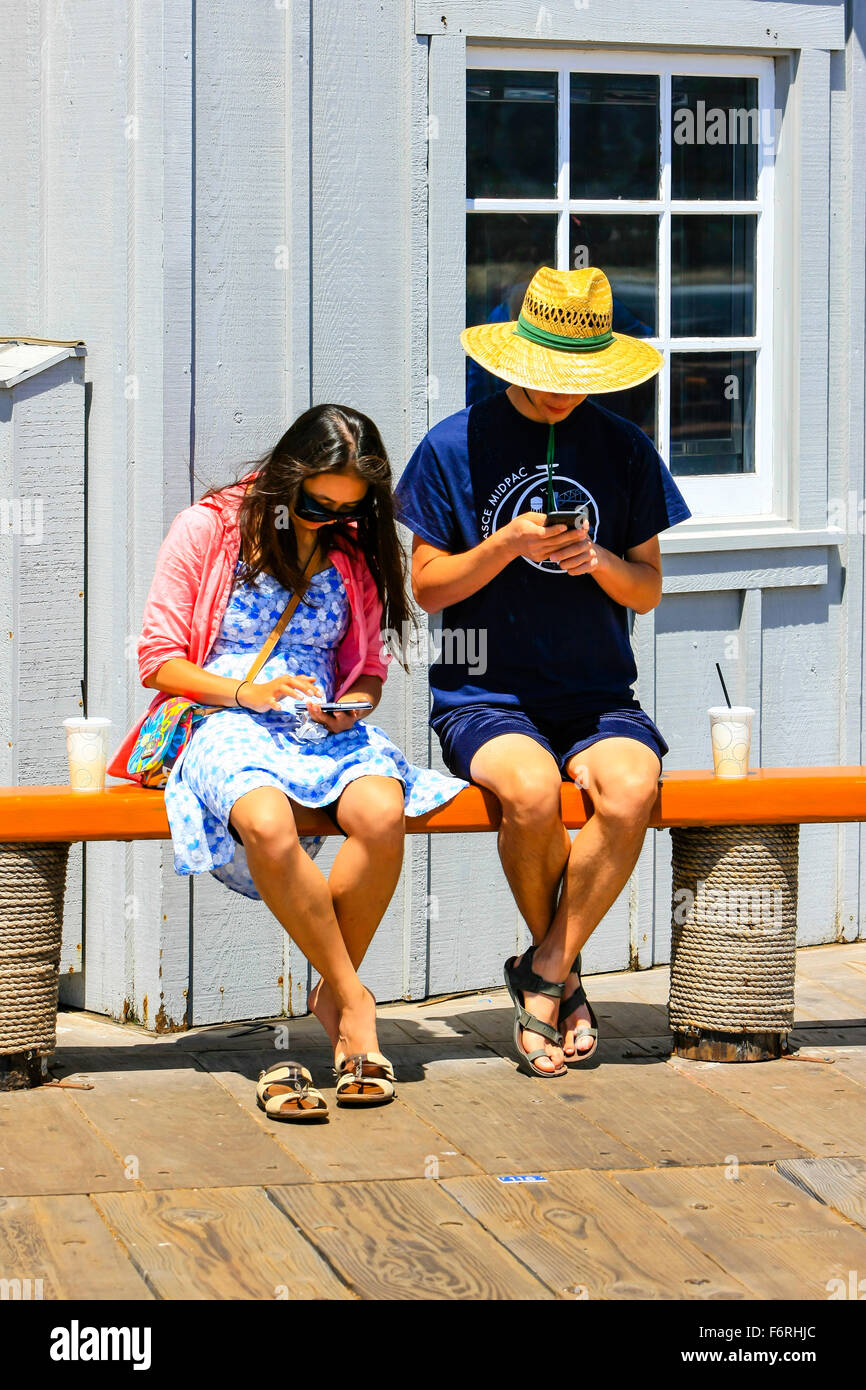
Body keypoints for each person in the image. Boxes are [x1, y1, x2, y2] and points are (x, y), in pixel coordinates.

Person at [108, 404, 467, 1116]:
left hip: (316, 721)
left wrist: (353, 707)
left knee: (382, 807)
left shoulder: (348, 549)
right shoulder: (207, 528)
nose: (323, 517)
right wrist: (248, 689)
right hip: (223, 711)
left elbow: (367, 670)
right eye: (313, 501)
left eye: (346, 508)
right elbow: (159, 662)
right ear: (285, 473)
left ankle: (329, 994)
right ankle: (354, 1004)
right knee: (266, 823)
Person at [394, 266, 691, 1077]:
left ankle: (548, 970)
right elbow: (424, 588)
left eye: (579, 378)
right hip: (481, 689)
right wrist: (504, 545)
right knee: (527, 794)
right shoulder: (453, 445)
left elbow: (649, 589)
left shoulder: (624, 448)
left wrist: (595, 558)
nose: (564, 395)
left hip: (597, 692)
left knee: (631, 789)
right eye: (549, 376)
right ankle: (567, 979)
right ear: (515, 357)